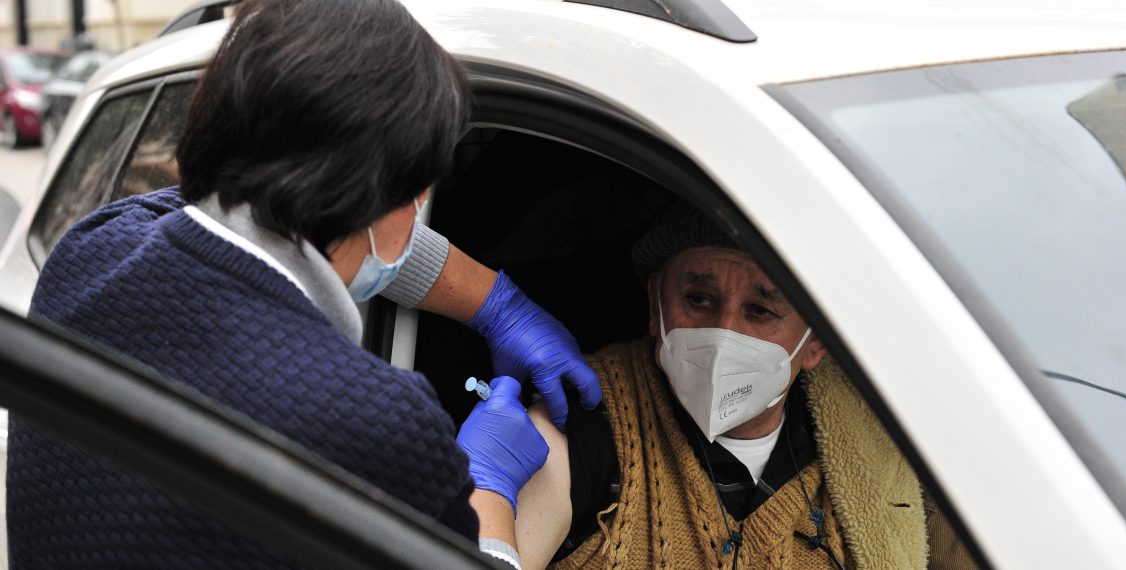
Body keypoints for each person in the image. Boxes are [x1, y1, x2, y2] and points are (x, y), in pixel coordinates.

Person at [7, 1, 590, 568]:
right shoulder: (379, 424)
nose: (419, 214)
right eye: (418, 195)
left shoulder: (89, 248)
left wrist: (496, 305)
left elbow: (233, 209)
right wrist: (489, 487)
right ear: (376, 198)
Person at [513, 204, 977, 569]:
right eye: (698, 299)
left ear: (815, 343)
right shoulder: (587, 414)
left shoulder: (880, 442)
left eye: (760, 311)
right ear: (656, 305)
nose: (724, 333)